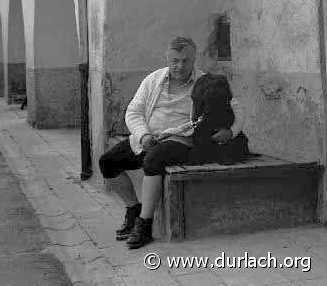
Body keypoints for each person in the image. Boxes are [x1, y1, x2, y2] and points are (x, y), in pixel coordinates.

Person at [98, 36, 246, 249]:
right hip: (149, 137)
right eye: (175, 60)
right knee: (107, 162)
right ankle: (132, 209)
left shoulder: (207, 82)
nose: (180, 66)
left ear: (194, 59)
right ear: (167, 58)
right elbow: (133, 112)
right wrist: (143, 135)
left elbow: (238, 108)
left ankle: (145, 224)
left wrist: (231, 132)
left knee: (153, 160)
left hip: (182, 139)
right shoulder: (153, 79)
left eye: (186, 61)